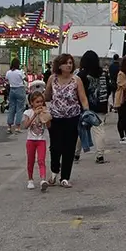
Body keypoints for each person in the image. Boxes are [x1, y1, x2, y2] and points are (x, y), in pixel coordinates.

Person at [47, 54, 88, 187]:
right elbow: (47, 96)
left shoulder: (77, 80)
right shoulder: (52, 79)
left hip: (72, 117)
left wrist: (86, 112)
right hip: (55, 118)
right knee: (55, 147)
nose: (69, 65)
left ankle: (65, 177)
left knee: (69, 148)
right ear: (59, 65)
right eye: (66, 63)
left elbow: (82, 98)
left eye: (71, 63)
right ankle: (54, 171)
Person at [75, 50, 108, 164]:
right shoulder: (103, 73)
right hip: (101, 104)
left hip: (85, 106)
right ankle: (100, 155)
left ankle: (76, 153)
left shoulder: (81, 75)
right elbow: (108, 88)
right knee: (99, 130)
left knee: (81, 129)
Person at [22, 90, 50, 191]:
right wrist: (34, 115)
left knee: (41, 160)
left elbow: (48, 126)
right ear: (32, 103)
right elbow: (25, 126)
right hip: (31, 140)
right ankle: (30, 179)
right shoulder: (28, 113)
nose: (40, 104)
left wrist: (46, 117)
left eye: (41, 102)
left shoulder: (44, 111)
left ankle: (43, 179)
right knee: (31, 160)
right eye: (37, 102)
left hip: (41, 140)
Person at [5, 59, 27, 134]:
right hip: (20, 89)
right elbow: (26, 79)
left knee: (11, 108)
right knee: (19, 109)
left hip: (12, 90)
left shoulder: (8, 72)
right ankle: (17, 127)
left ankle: (9, 126)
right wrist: (25, 71)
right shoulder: (20, 72)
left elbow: (7, 80)